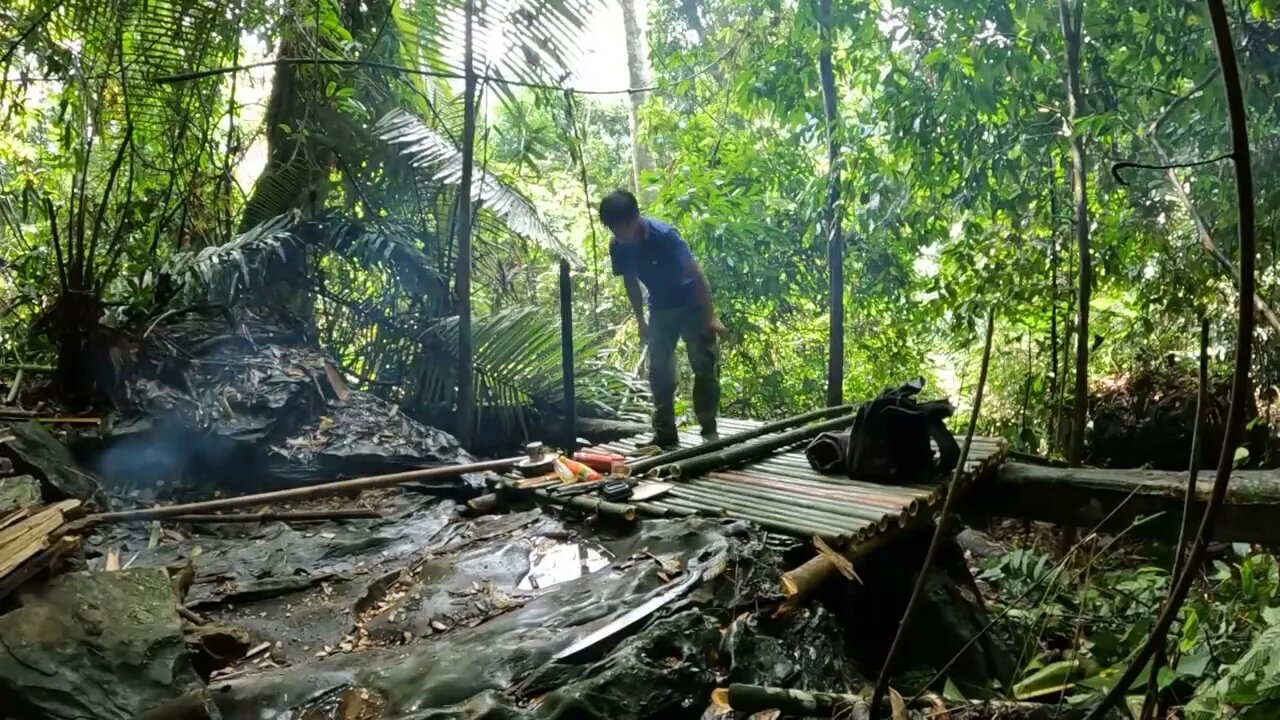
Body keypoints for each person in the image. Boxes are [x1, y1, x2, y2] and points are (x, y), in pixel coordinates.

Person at [599, 189, 723, 449]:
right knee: (659, 372)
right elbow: (630, 282)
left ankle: (709, 431)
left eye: (618, 228)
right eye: (611, 229)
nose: (616, 234)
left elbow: (697, 275)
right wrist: (640, 320)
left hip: (691, 304)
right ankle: (665, 435)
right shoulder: (618, 246)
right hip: (660, 309)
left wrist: (709, 317)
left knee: (704, 366)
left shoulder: (664, 236)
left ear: (633, 220)